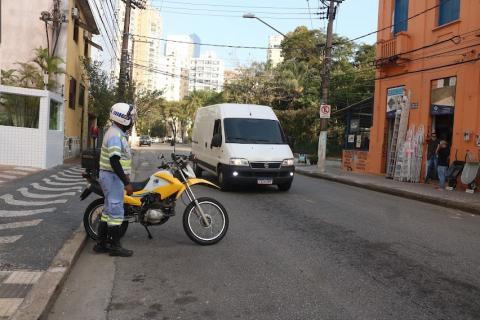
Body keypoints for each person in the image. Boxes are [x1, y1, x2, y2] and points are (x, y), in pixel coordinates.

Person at [94, 103, 135, 257]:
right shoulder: (114, 135)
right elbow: (114, 161)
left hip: (111, 177)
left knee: (108, 211)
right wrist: (127, 183)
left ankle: (101, 244)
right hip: (112, 178)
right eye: (130, 117)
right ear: (122, 118)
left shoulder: (116, 133)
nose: (132, 120)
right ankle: (115, 247)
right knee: (116, 212)